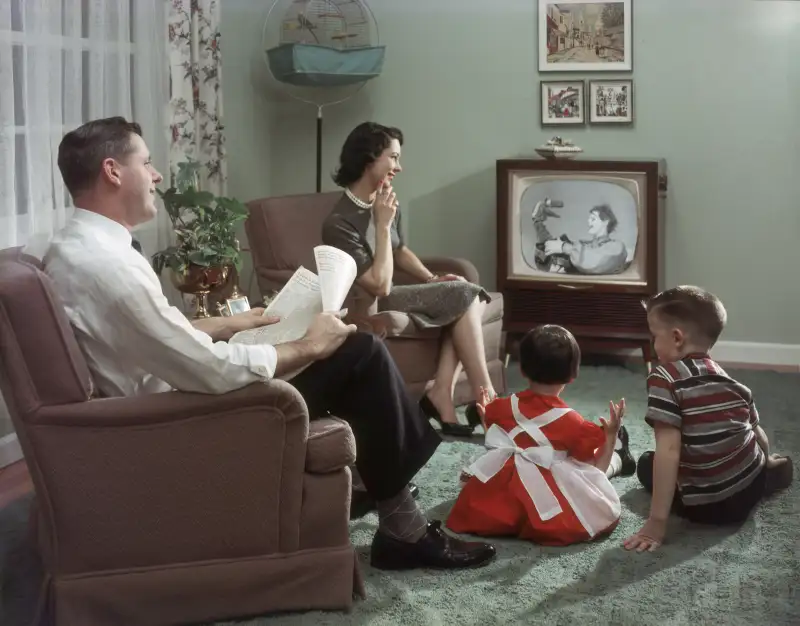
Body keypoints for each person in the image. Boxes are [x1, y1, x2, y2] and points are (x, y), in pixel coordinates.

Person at [38, 116, 497, 571]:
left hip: (168, 397)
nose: (157, 175)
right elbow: (206, 370)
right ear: (113, 171)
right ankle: (403, 526)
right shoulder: (109, 267)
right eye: (148, 162)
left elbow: (148, 335)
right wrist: (306, 348)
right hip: (179, 417)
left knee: (344, 347)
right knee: (360, 354)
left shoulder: (75, 248)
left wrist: (232, 324)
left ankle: (379, 491)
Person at [321, 122, 493, 438]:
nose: (399, 167)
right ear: (369, 158)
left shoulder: (384, 201)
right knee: (469, 295)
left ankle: (443, 391)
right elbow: (378, 285)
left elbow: (399, 252)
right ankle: (487, 401)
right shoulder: (339, 222)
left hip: (387, 290)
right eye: (393, 157)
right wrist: (382, 225)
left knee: (470, 295)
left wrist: (432, 278)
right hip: (364, 304)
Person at [623, 286, 794, 553]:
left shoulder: (664, 378)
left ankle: (758, 473)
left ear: (676, 338)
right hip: (749, 490)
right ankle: (771, 471)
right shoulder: (731, 382)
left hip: (707, 507)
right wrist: (766, 462)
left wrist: (656, 524)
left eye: (654, 336)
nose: (653, 343)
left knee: (648, 463)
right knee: (762, 460)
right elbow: (757, 433)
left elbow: (669, 450)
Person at [446, 325, 636, 546]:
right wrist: (610, 435)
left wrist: (487, 417)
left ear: (523, 371)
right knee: (586, 473)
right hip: (547, 501)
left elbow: (497, 446)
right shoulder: (575, 424)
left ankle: (621, 458)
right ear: (573, 375)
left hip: (499, 500)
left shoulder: (500, 407)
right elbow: (596, 472)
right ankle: (620, 458)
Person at [542, 203, 629, 275]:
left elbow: (595, 261)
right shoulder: (581, 245)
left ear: (606, 221)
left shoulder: (617, 247)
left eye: (593, 218)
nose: (588, 221)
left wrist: (564, 247)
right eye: (589, 218)